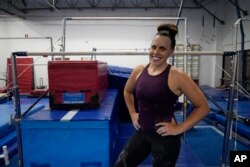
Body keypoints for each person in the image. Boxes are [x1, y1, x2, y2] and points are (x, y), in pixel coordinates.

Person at [114, 24, 210, 167]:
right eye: (153, 47)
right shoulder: (139, 70)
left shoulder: (177, 76)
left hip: (166, 138)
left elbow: (203, 107)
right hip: (142, 132)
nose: (156, 52)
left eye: (162, 48)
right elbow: (127, 91)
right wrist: (133, 113)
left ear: (171, 51)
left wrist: (180, 128)